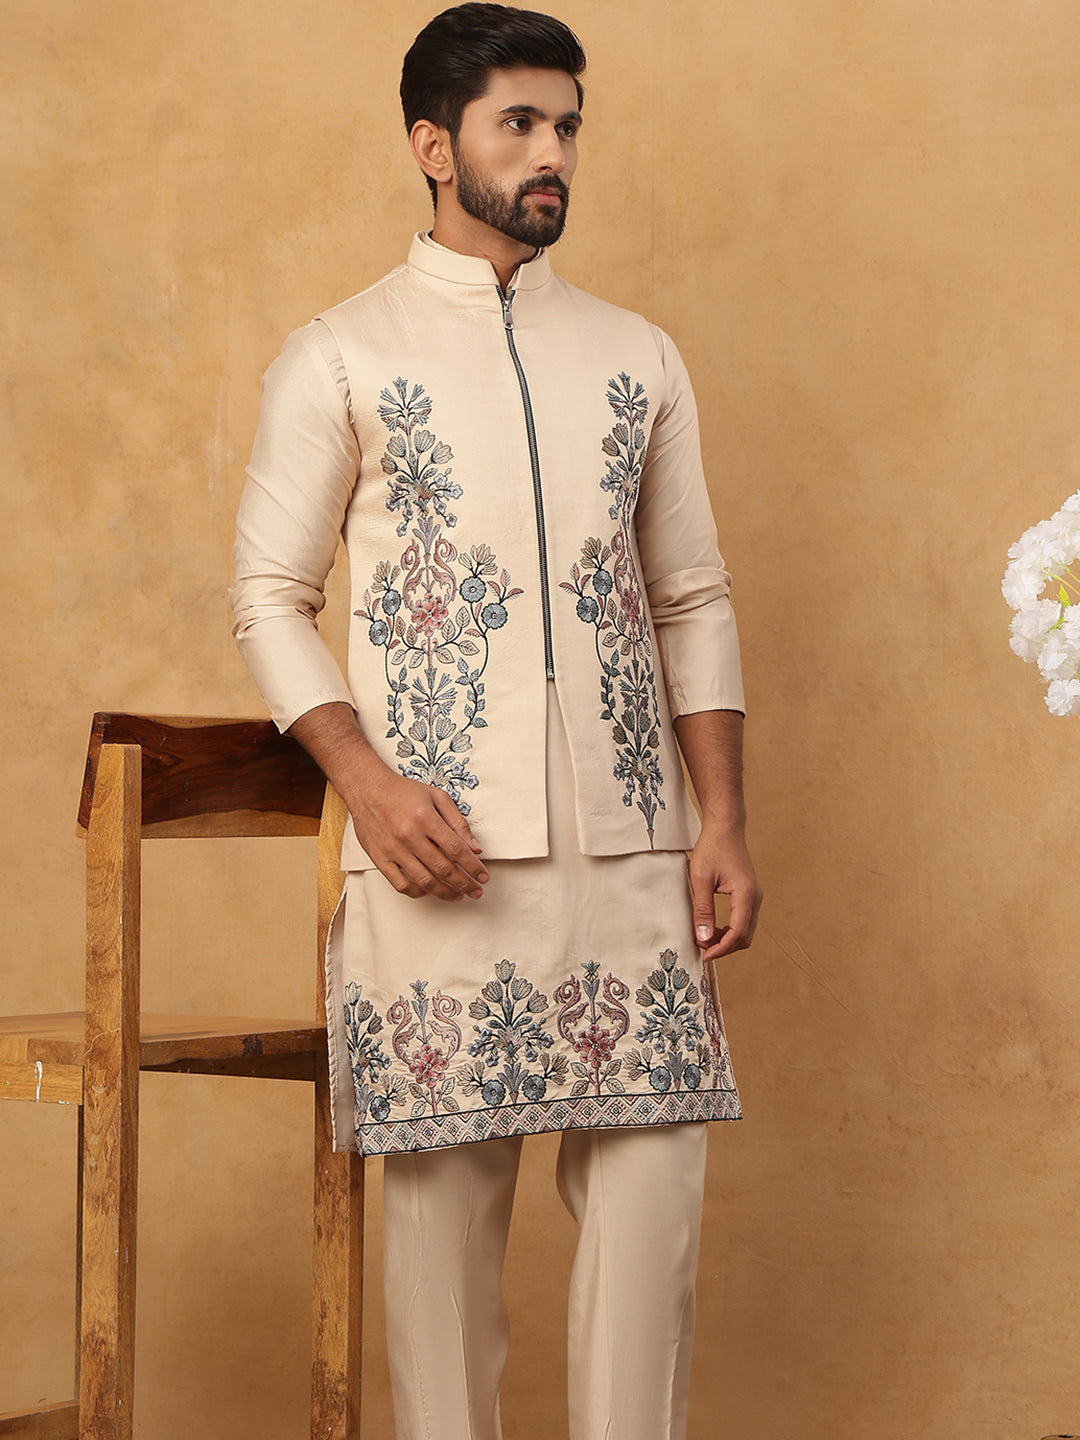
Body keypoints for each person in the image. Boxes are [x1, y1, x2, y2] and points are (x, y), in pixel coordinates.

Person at [229, 5, 762, 1437]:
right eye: (519, 123)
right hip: (441, 859)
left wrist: (720, 820)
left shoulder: (636, 356)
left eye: (566, 125)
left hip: (636, 860)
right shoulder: (341, 355)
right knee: (442, 1273)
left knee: (650, 1244)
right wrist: (367, 781)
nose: (551, 154)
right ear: (432, 144)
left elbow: (691, 595)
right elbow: (268, 597)